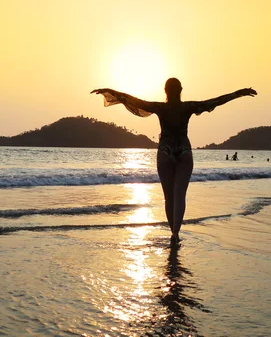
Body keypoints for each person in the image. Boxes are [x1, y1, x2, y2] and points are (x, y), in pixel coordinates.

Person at [92, 78, 257, 244]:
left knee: (169, 198)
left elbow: (133, 100)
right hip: (184, 151)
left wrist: (110, 91)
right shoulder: (188, 107)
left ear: (165, 90)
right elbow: (215, 101)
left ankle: (173, 233)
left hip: (165, 151)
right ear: (181, 90)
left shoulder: (160, 108)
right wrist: (238, 93)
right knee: (179, 196)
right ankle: (176, 233)